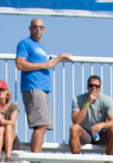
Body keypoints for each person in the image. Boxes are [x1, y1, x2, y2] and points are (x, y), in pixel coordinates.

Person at [16, 20, 72, 154]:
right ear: (30, 28)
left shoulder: (40, 47)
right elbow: (20, 64)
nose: (38, 29)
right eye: (35, 27)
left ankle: (36, 158)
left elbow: (49, 64)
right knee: (40, 124)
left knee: (44, 125)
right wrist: (43, 65)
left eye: (41, 27)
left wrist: (61, 57)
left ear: (44, 29)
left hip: (43, 88)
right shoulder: (25, 43)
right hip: (33, 86)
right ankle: (34, 159)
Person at [69, 76, 113, 155]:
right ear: (87, 87)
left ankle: (108, 161)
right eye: (91, 85)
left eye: (97, 86)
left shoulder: (107, 100)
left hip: (101, 134)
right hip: (85, 134)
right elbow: (76, 120)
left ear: (100, 88)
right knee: (74, 128)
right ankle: (77, 161)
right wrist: (88, 102)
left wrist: (102, 125)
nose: (94, 88)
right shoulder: (77, 100)